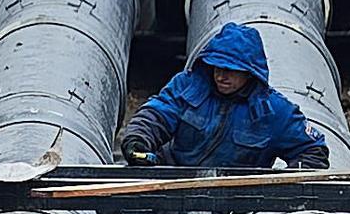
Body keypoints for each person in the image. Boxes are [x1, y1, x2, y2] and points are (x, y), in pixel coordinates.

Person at [118, 22, 332, 171]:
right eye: (216, 67)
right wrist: (137, 140)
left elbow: (313, 151)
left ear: (250, 72)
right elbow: (156, 115)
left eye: (231, 69)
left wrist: (278, 187)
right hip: (171, 185)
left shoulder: (274, 112)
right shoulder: (188, 86)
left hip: (233, 207)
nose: (221, 75)